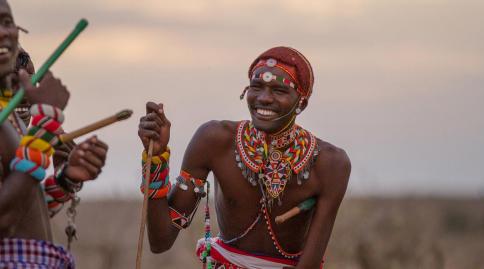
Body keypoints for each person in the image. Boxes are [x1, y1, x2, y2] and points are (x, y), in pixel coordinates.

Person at [138, 46, 351, 268]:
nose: (264, 98)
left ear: (302, 103)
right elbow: (160, 241)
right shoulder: (214, 141)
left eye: (279, 90)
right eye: (256, 87)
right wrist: (157, 156)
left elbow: (310, 264)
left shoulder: (330, 164)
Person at [0, 1, 108, 267]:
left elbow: (19, 213)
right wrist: (44, 129)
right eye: (16, 86)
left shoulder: (8, 118)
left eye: (6, 22)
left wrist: (66, 179)